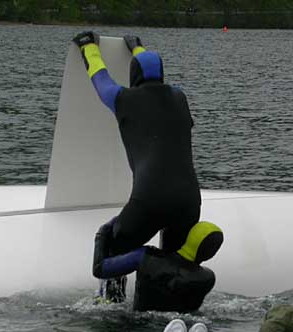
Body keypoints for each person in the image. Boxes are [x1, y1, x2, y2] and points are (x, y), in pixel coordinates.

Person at [73, 31, 201, 301]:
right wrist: (138, 47)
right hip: (188, 202)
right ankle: (168, 311)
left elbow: (100, 78)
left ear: (133, 76)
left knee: (113, 249)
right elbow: (151, 69)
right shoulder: (180, 99)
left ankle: (112, 305)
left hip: (149, 200)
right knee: (170, 265)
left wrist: (88, 47)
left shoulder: (124, 99)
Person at [93, 219, 224, 312]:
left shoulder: (146, 257)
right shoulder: (207, 279)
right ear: (211, 254)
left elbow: (100, 269)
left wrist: (101, 234)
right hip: (177, 328)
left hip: (134, 324)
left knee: (113, 291)